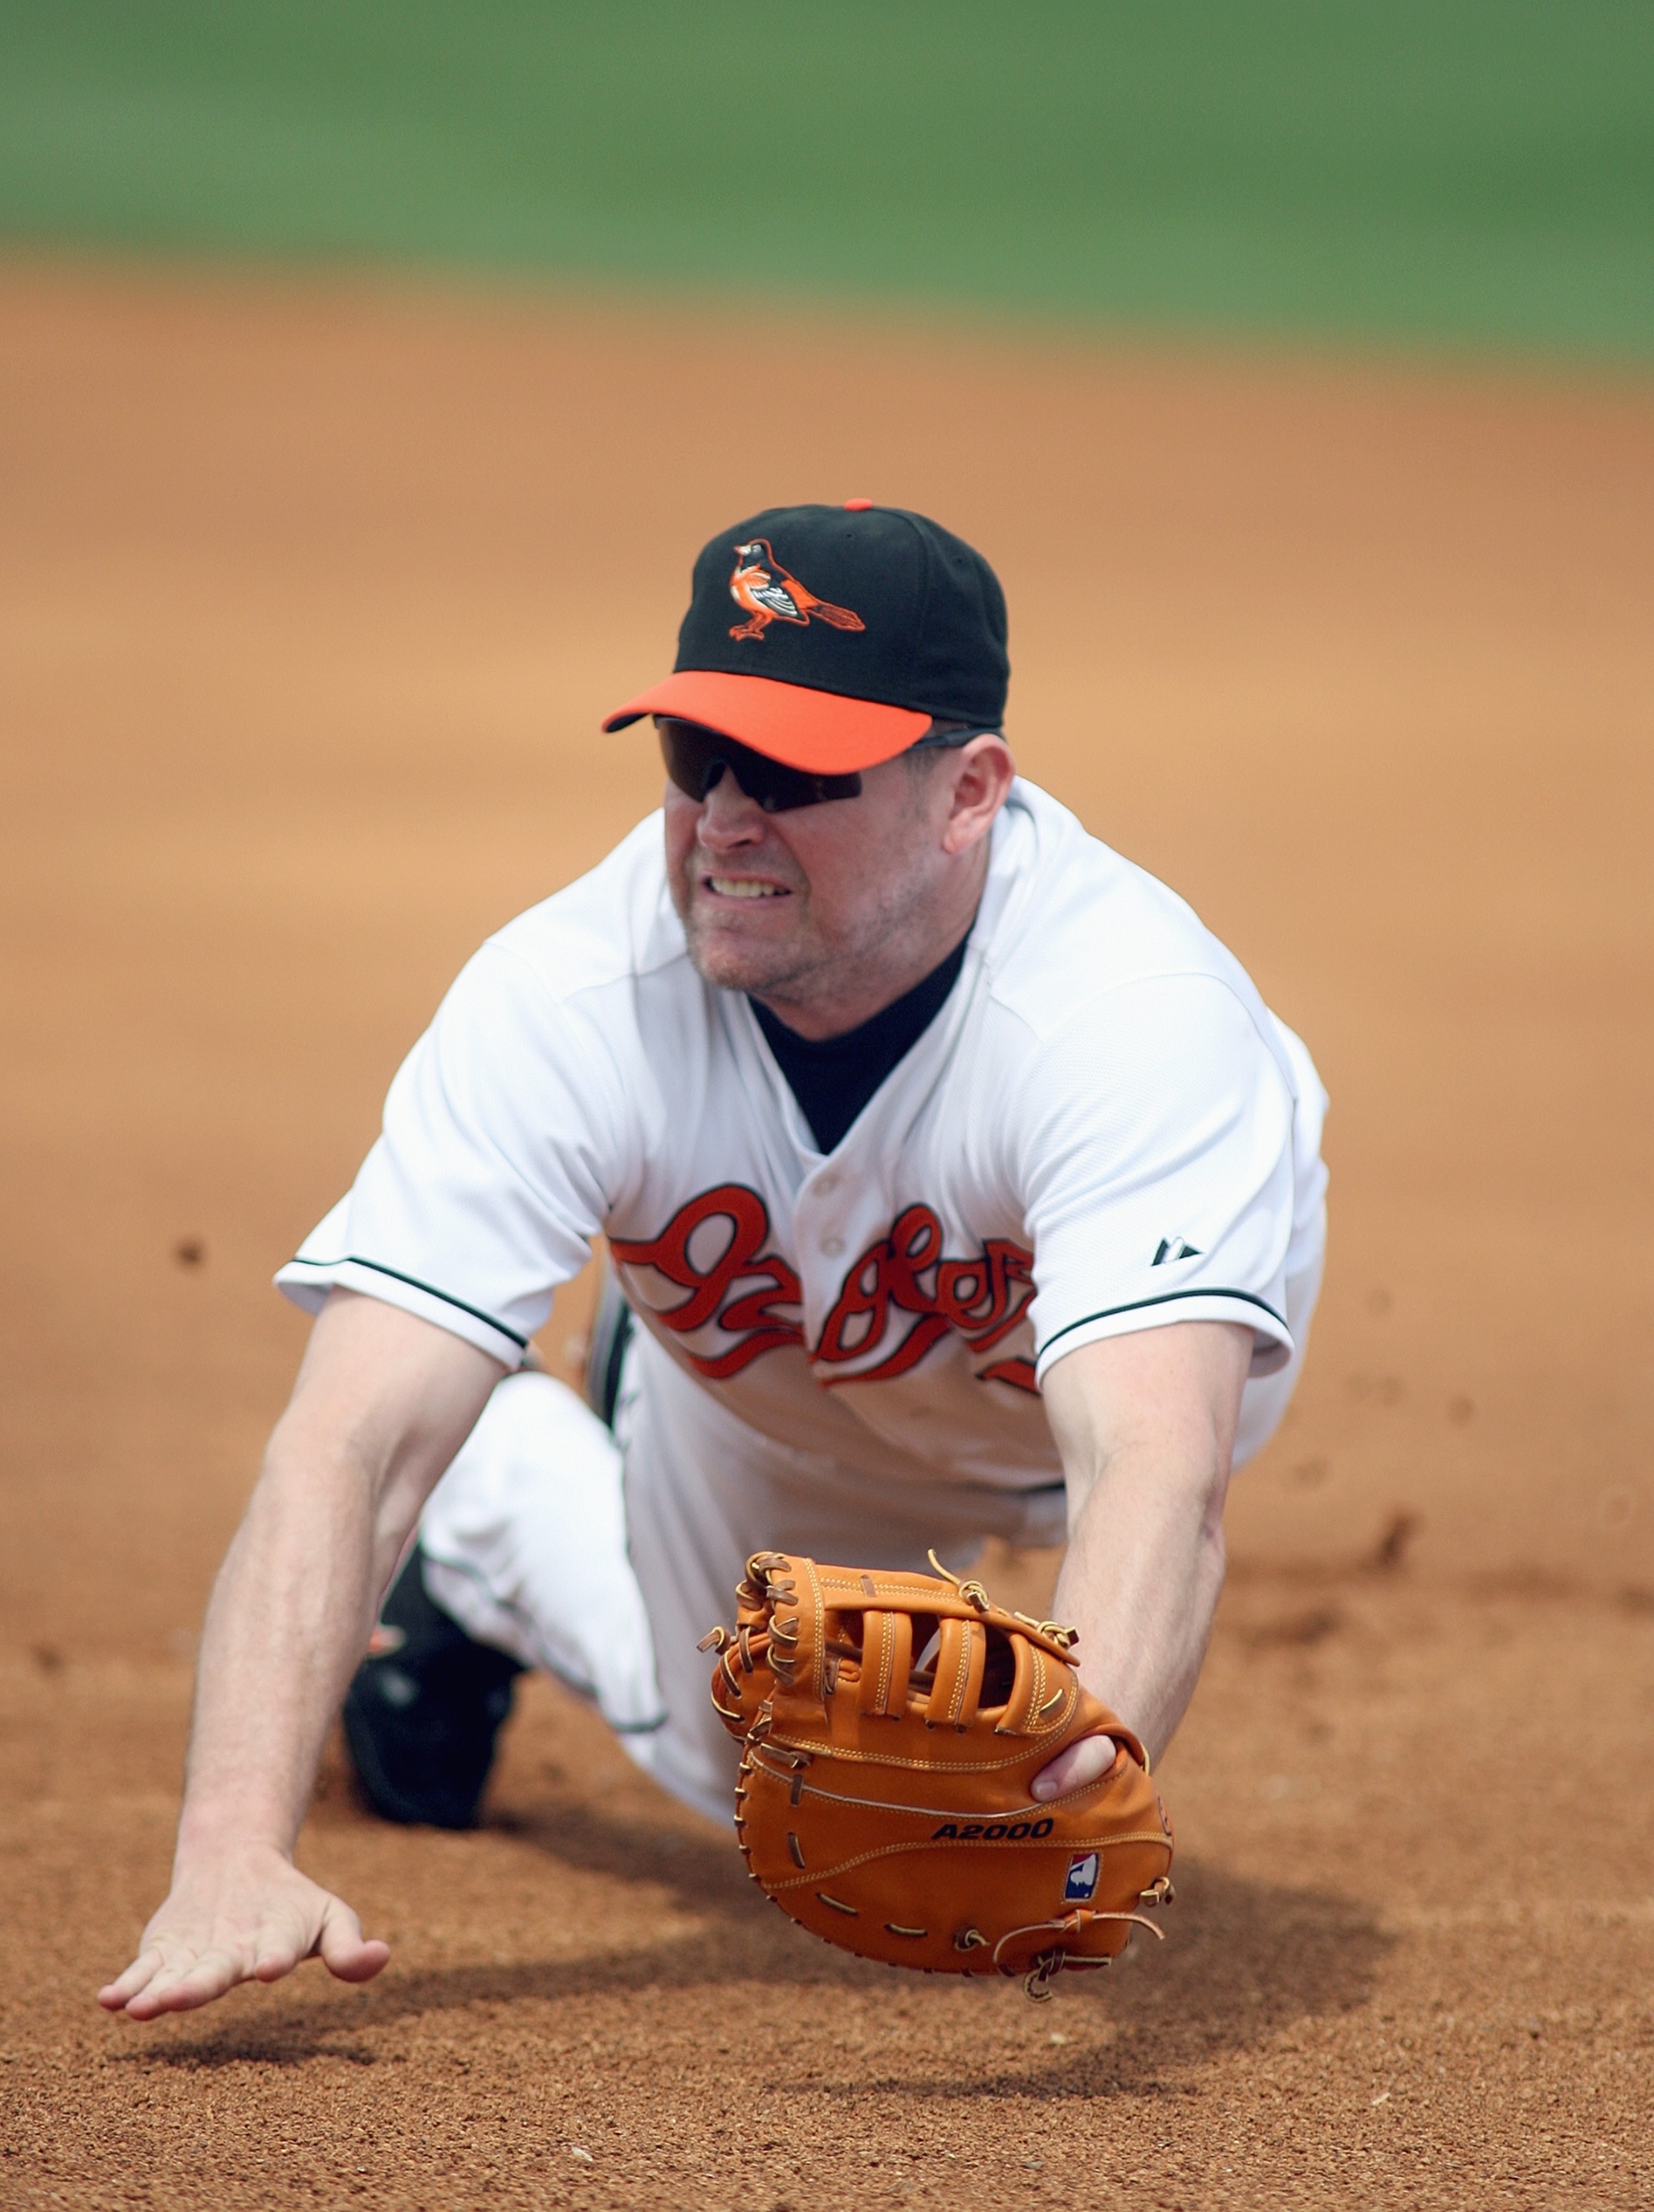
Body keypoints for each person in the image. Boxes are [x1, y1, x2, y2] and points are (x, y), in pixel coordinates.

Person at [100, 500, 1327, 2022]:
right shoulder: (566, 999)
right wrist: (227, 1852)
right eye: (698, 757)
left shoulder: (1125, 1013)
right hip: (782, 1399)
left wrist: (1070, 1781)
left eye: (802, 767)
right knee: (726, 1774)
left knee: (990, 1750)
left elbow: (1155, 1468)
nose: (729, 815)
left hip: (1097, 1401)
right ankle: (511, 1515)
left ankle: (620, 1398)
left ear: (970, 794)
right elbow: (345, 1446)